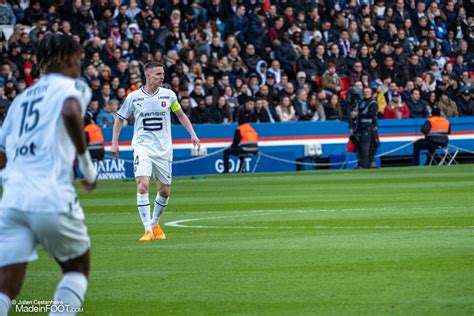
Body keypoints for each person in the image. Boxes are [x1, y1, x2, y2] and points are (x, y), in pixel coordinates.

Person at [0, 33, 97, 316]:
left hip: (13, 199)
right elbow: (70, 110)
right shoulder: (73, 86)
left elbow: (2, 151)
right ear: (68, 58)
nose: (80, 64)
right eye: (79, 58)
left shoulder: (20, 100)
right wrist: (87, 167)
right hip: (51, 194)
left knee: (6, 284)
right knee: (77, 268)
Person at [111, 61, 201, 241]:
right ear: (148, 75)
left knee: (165, 191)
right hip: (142, 147)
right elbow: (120, 119)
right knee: (142, 184)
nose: (162, 76)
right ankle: (147, 230)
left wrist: (193, 134)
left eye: (163, 73)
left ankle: (154, 223)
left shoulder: (169, 96)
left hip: (163, 149)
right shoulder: (133, 97)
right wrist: (114, 142)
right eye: (158, 74)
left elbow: (180, 115)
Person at [350, 87, 379, 168]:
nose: (366, 93)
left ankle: (366, 164)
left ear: (371, 93)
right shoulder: (360, 102)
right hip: (359, 126)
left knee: (366, 146)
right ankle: (362, 163)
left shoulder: (373, 103)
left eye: (368, 92)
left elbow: (371, 115)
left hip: (368, 127)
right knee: (359, 145)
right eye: (365, 92)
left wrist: (357, 114)